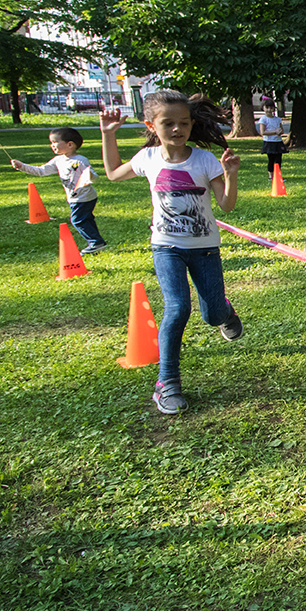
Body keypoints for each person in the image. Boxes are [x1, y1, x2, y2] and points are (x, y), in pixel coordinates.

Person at [99, 91, 244, 415]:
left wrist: (231, 176)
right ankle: (168, 383)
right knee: (177, 309)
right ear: (152, 125)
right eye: (168, 123)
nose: (177, 129)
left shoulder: (205, 161)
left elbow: (227, 205)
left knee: (212, 314)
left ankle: (225, 312)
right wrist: (108, 135)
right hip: (166, 247)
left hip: (205, 248)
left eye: (184, 123)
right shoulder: (147, 159)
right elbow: (111, 173)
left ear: (192, 124)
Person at [10, 126, 107, 253]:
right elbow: (41, 171)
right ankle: (97, 241)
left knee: (77, 220)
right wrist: (22, 166)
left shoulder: (80, 160)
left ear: (70, 144)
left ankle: (96, 243)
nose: (52, 145)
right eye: (51, 143)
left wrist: (89, 176)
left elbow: (94, 177)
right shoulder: (58, 160)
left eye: (55, 142)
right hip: (74, 198)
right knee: (85, 219)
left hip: (84, 198)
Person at [257, 101, 286, 179]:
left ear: (274, 108)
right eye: (267, 107)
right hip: (269, 142)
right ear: (263, 108)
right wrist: (274, 132)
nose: (269, 110)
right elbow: (262, 132)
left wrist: (280, 132)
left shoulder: (278, 119)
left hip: (278, 142)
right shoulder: (263, 119)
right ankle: (270, 175)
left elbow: (282, 130)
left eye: (271, 108)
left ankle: (278, 175)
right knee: (271, 159)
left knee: (278, 159)